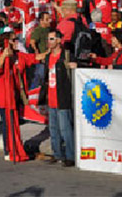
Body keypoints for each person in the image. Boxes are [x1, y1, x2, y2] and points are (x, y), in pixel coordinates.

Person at [0, 27, 46, 162]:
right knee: (7, 123)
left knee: (14, 123)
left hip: (15, 95)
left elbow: (34, 58)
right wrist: (4, 56)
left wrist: (49, 52)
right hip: (4, 96)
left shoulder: (19, 55)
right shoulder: (0, 56)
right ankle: (8, 149)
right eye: (13, 40)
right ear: (7, 42)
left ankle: (15, 147)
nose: (16, 42)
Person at [39, 29, 76, 167]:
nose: (49, 42)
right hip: (51, 97)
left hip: (63, 96)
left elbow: (76, 69)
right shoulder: (48, 57)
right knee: (53, 128)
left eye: (52, 39)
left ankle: (70, 156)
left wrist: (74, 66)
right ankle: (57, 153)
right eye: (48, 39)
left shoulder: (66, 55)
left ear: (59, 40)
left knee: (65, 128)